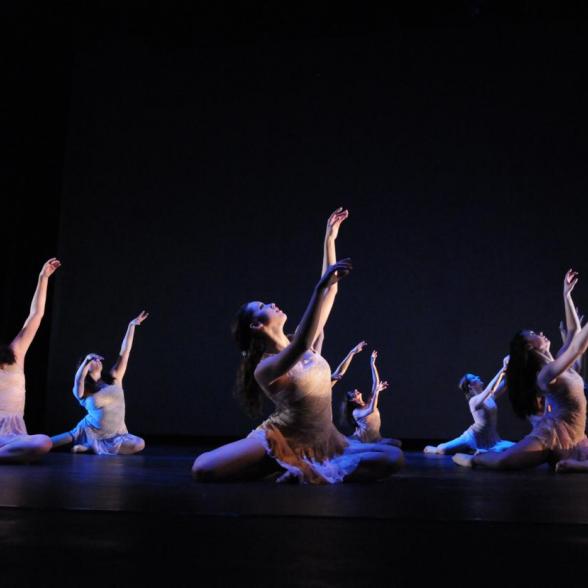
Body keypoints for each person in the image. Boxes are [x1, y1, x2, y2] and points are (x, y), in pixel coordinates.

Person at [192, 208, 404, 483]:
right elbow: (303, 339)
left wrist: (329, 239)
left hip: (322, 440)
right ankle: (280, 462)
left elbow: (332, 290)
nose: (271, 303)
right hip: (282, 435)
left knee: (393, 457)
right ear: (257, 326)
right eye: (262, 306)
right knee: (203, 468)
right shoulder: (265, 367)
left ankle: (298, 467)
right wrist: (319, 286)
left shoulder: (302, 344)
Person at [453, 269, 588, 471]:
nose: (540, 333)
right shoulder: (545, 375)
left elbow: (573, 333)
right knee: (503, 462)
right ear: (529, 347)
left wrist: (566, 294)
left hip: (576, 434)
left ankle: (574, 465)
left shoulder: (558, 361)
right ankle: (475, 459)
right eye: (533, 333)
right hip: (553, 435)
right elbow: (577, 346)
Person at [50, 311, 148, 455]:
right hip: (88, 430)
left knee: (139, 444)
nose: (95, 360)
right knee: (47, 443)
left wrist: (131, 326)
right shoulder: (82, 391)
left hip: (116, 435)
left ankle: (93, 447)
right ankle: (89, 444)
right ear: (85, 368)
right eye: (91, 361)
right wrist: (87, 360)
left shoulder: (115, 378)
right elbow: (78, 380)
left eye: (95, 359)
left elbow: (125, 352)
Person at [0, 258, 60, 463]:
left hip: (14, 436)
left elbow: (36, 315)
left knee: (43, 442)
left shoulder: (14, 354)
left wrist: (43, 278)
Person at [423, 357, 514, 455]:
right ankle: (432, 449)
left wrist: (510, 367)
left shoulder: (490, 397)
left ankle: (473, 450)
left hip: (492, 439)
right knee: (442, 450)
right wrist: (502, 369)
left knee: (515, 448)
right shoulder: (473, 401)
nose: (478, 377)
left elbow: (505, 383)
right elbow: (489, 389)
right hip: (472, 437)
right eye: (474, 378)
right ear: (470, 386)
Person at [340, 349, 402, 447]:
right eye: (353, 393)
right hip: (363, 440)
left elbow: (375, 383)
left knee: (398, 443)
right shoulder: (356, 412)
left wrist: (372, 363)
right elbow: (371, 409)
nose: (356, 389)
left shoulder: (368, 402)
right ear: (353, 399)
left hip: (377, 439)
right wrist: (377, 392)